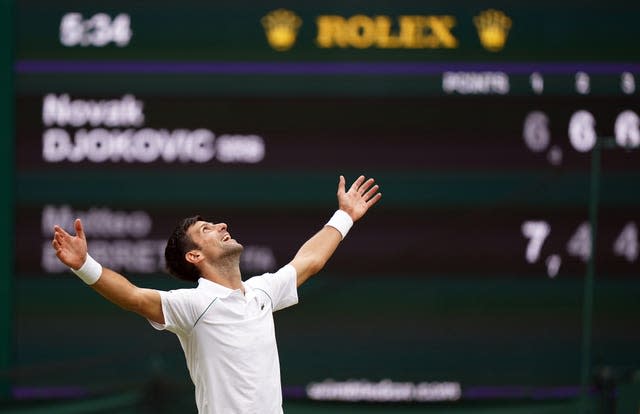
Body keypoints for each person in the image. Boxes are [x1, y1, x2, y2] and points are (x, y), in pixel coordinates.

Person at [51, 174, 382, 414]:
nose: (222, 225)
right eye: (206, 230)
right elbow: (134, 297)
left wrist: (345, 216)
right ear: (194, 256)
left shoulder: (262, 292)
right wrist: (84, 264)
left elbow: (310, 260)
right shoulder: (193, 306)